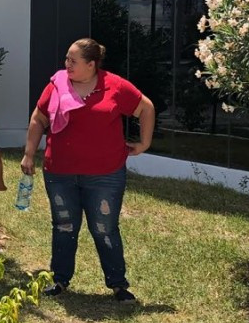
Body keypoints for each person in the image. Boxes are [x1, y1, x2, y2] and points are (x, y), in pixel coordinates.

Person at [20, 38, 155, 304]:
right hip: (60, 172)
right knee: (64, 226)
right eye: (66, 59)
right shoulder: (57, 84)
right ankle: (60, 280)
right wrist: (28, 152)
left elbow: (146, 107)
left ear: (91, 65)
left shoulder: (114, 86)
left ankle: (118, 285)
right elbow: (39, 117)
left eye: (73, 61)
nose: (66, 64)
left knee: (104, 228)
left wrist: (144, 143)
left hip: (105, 175)